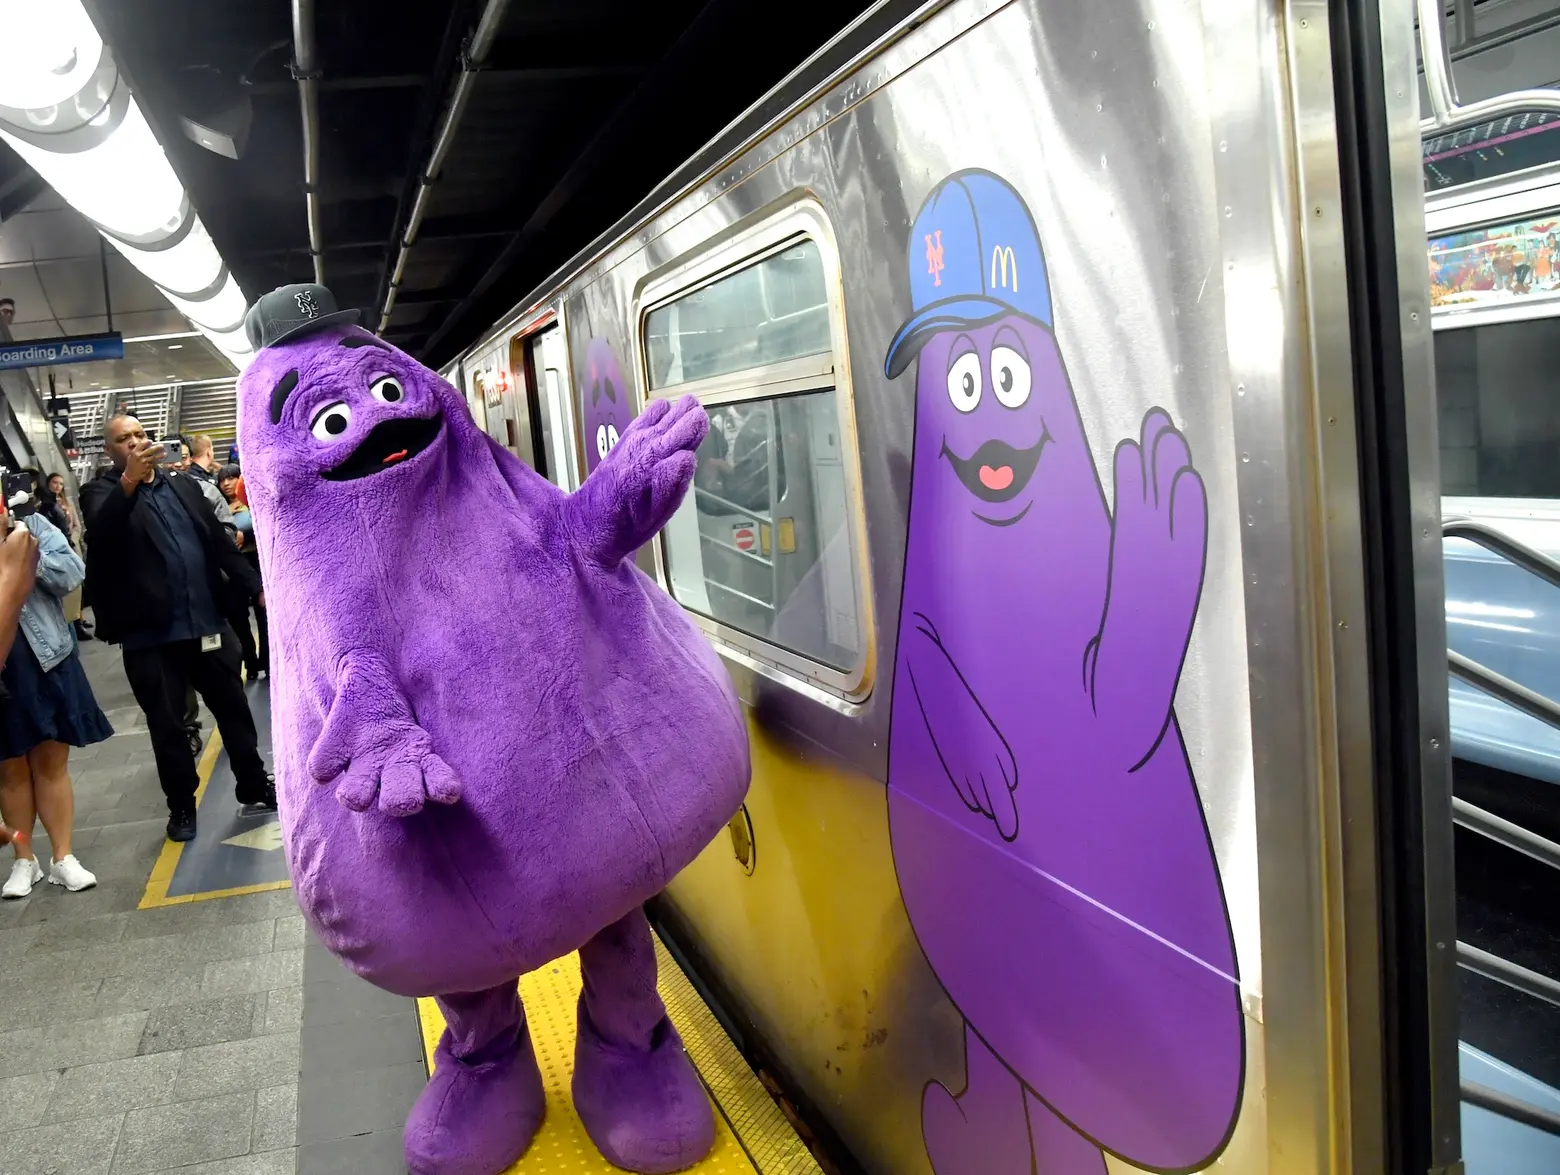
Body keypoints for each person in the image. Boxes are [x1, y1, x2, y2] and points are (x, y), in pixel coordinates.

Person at [80, 414, 275, 842]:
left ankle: (254, 782)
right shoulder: (100, 492)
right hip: (151, 637)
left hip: (206, 622)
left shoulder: (185, 486)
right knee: (168, 725)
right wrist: (130, 482)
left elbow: (220, 545)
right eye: (122, 440)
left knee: (235, 710)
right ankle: (182, 806)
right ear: (110, 450)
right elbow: (104, 530)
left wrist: (257, 589)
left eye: (139, 435)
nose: (134, 443)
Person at [0, 498, 108, 897]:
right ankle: (23, 859)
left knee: (51, 759)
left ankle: (63, 857)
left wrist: (24, 552)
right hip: (3, 668)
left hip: (47, 659)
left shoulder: (33, 528)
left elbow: (71, 574)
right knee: (9, 767)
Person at [217, 464, 266, 678]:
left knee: (263, 615)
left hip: (256, 560)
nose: (226, 483)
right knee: (237, 617)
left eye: (231, 478)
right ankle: (251, 662)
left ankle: (268, 660)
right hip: (233, 566)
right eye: (222, 479)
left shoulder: (253, 500)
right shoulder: (218, 507)